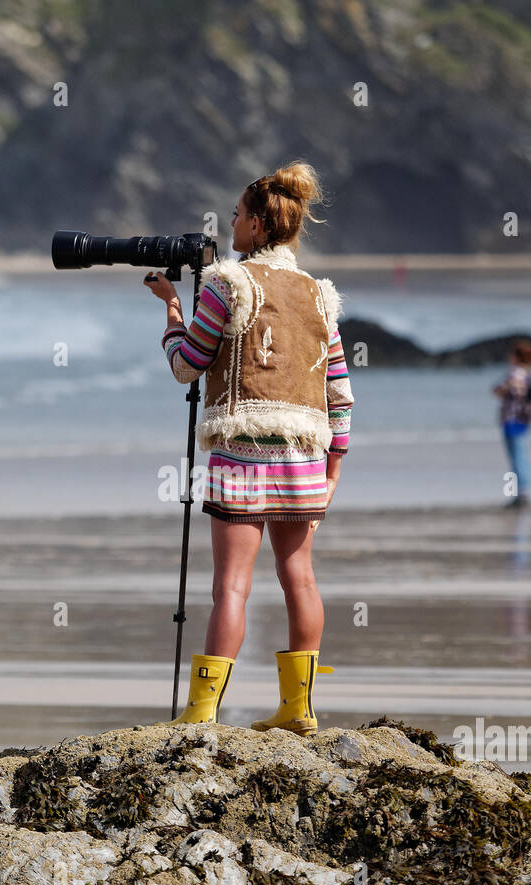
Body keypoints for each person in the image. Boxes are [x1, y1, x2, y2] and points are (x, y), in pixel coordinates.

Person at [143, 160, 353, 736]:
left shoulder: (227, 284)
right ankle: (299, 708)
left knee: (231, 585)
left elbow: (188, 365)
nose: (230, 223)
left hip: (241, 452)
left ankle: (204, 710)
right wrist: (335, 464)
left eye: (237, 214)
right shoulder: (318, 293)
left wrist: (170, 312)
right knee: (300, 577)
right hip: (306, 455)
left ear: (258, 226)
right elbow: (339, 390)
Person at [492, 340, 531, 508]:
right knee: (521, 456)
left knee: (516, 458)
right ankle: (522, 492)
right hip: (523, 420)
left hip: (513, 420)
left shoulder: (516, 374)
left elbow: (501, 390)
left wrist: (504, 389)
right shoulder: (529, 375)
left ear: (516, 357)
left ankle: (519, 494)